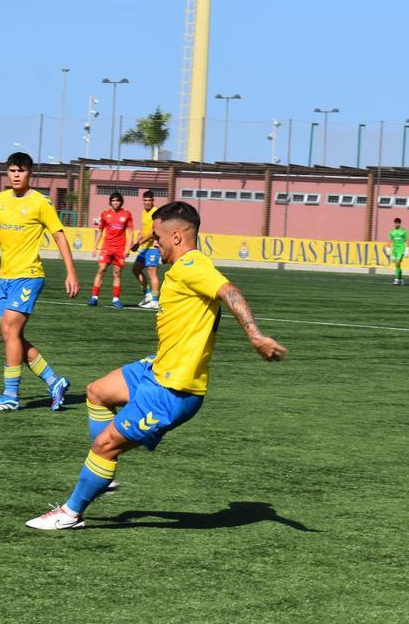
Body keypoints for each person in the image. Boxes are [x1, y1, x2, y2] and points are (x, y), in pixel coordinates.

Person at [25, 201, 286, 530]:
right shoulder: (180, 266)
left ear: (176, 237)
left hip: (174, 390)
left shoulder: (193, 264)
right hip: (157, 368)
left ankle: (71, 512)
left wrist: (255, 335)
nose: (153, 242)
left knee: (105, 446)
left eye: (158, 236)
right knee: (96, 392)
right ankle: (103, 475)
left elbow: (230, 291)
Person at [0, 152, 80, 412]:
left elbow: (60, 237)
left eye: (21, 170)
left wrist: (71, 272)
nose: (16, 175)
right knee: (11, 336)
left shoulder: (41, 203)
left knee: (11, 329)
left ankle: (11, 395)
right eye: (12, 170)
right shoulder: (1, 200)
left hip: (29, 276)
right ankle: (55, 381)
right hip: (5, 278)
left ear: (30, 173)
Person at [88, 192, 134, 309]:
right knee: (101, 270)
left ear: (121, 202)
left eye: (117, 200)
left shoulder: (127, 214)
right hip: (107, 247)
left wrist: (127, 248)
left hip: (120, 249)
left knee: (117, 273)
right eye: (113, 200)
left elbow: (130, 232)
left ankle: (116, 299)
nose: (115, 202)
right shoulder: (105, 214)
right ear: (110, 202)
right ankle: (94, 297)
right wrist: (94, 246)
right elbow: (100, 230)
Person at [129, 190, 162, 309]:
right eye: (145, 200)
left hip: (153, 248)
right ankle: (147, 294)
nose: (147, 202)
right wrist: (136, 241)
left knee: (152, 272)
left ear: (153, 201)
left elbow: (154, 232)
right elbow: (144, 229)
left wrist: (139, 243)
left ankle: (154, 301)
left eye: (149, 200)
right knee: (135, 269)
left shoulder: (156, 213)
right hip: (144, 248)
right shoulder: (144, 212)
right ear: (142, 201)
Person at [387, 217, 409, 285]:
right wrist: (388, 249)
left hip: (401, 249)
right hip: (394, 250)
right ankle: (400, 279)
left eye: (397, 223)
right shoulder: (391, 232)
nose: (396, 224)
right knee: (397, 265)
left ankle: (396, 280)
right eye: (395, 223)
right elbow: (389, 241)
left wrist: (407, 250)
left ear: (400, 223)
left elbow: (408, 240)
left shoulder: (404, 231)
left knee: (397, 263)